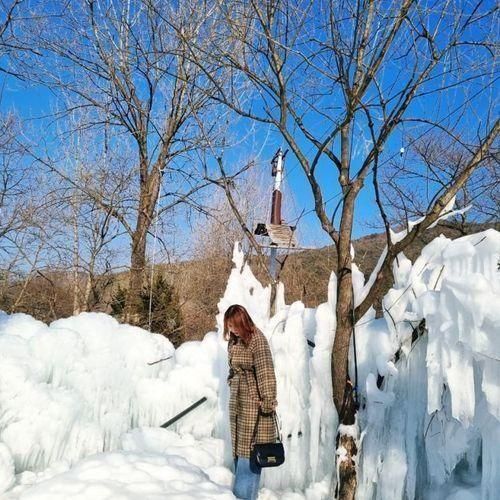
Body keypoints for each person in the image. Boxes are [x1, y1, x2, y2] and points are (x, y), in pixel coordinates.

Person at [224, 304, 278, 500]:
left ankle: (245, 496)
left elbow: (266, 371)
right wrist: (231, 379)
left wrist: (268, 401)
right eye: (229, 326)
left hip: (254, 402)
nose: (232, 330)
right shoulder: (234, 341)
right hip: (237, 398)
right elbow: (233, 366)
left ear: (244, 322)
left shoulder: (257, 339)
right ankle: (241, 494)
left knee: (250, 450)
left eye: (235, 325)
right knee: (239, 448)